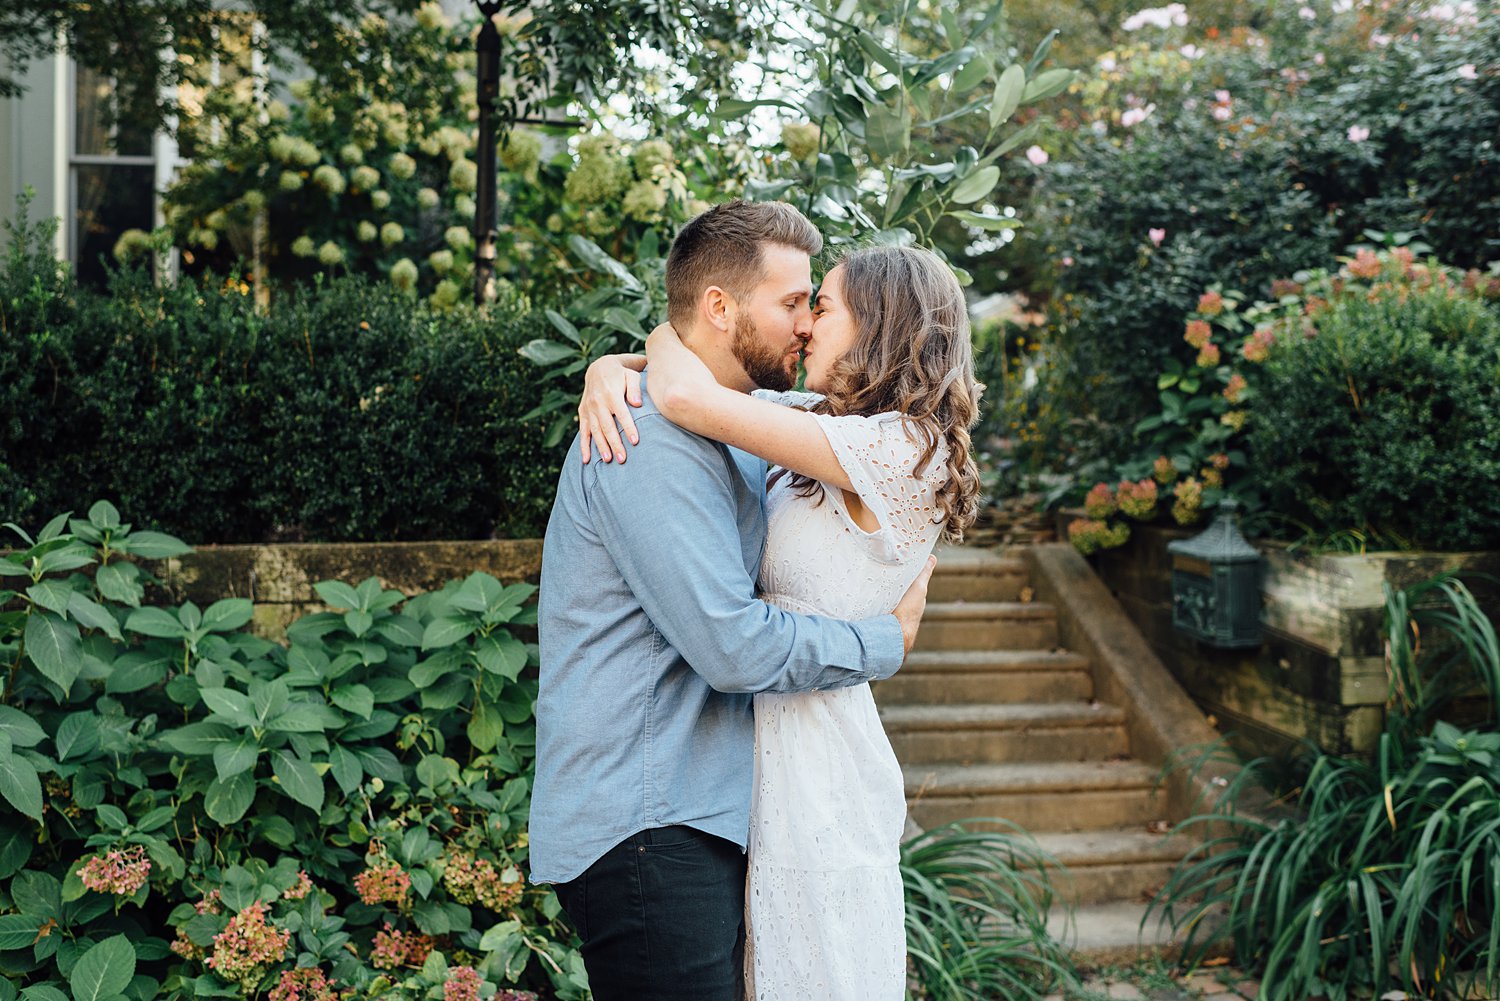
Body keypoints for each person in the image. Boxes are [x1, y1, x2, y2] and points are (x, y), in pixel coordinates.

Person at [528, 200, 938, 1001]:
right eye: (794, 302)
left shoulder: (748, 424)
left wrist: (632, 355)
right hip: (645, 820)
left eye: (817, 306)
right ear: (720, 307)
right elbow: (732, 647)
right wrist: (883, 643)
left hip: (698, 814)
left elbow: (709, 389)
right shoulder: (640, 439)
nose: (805, 326)